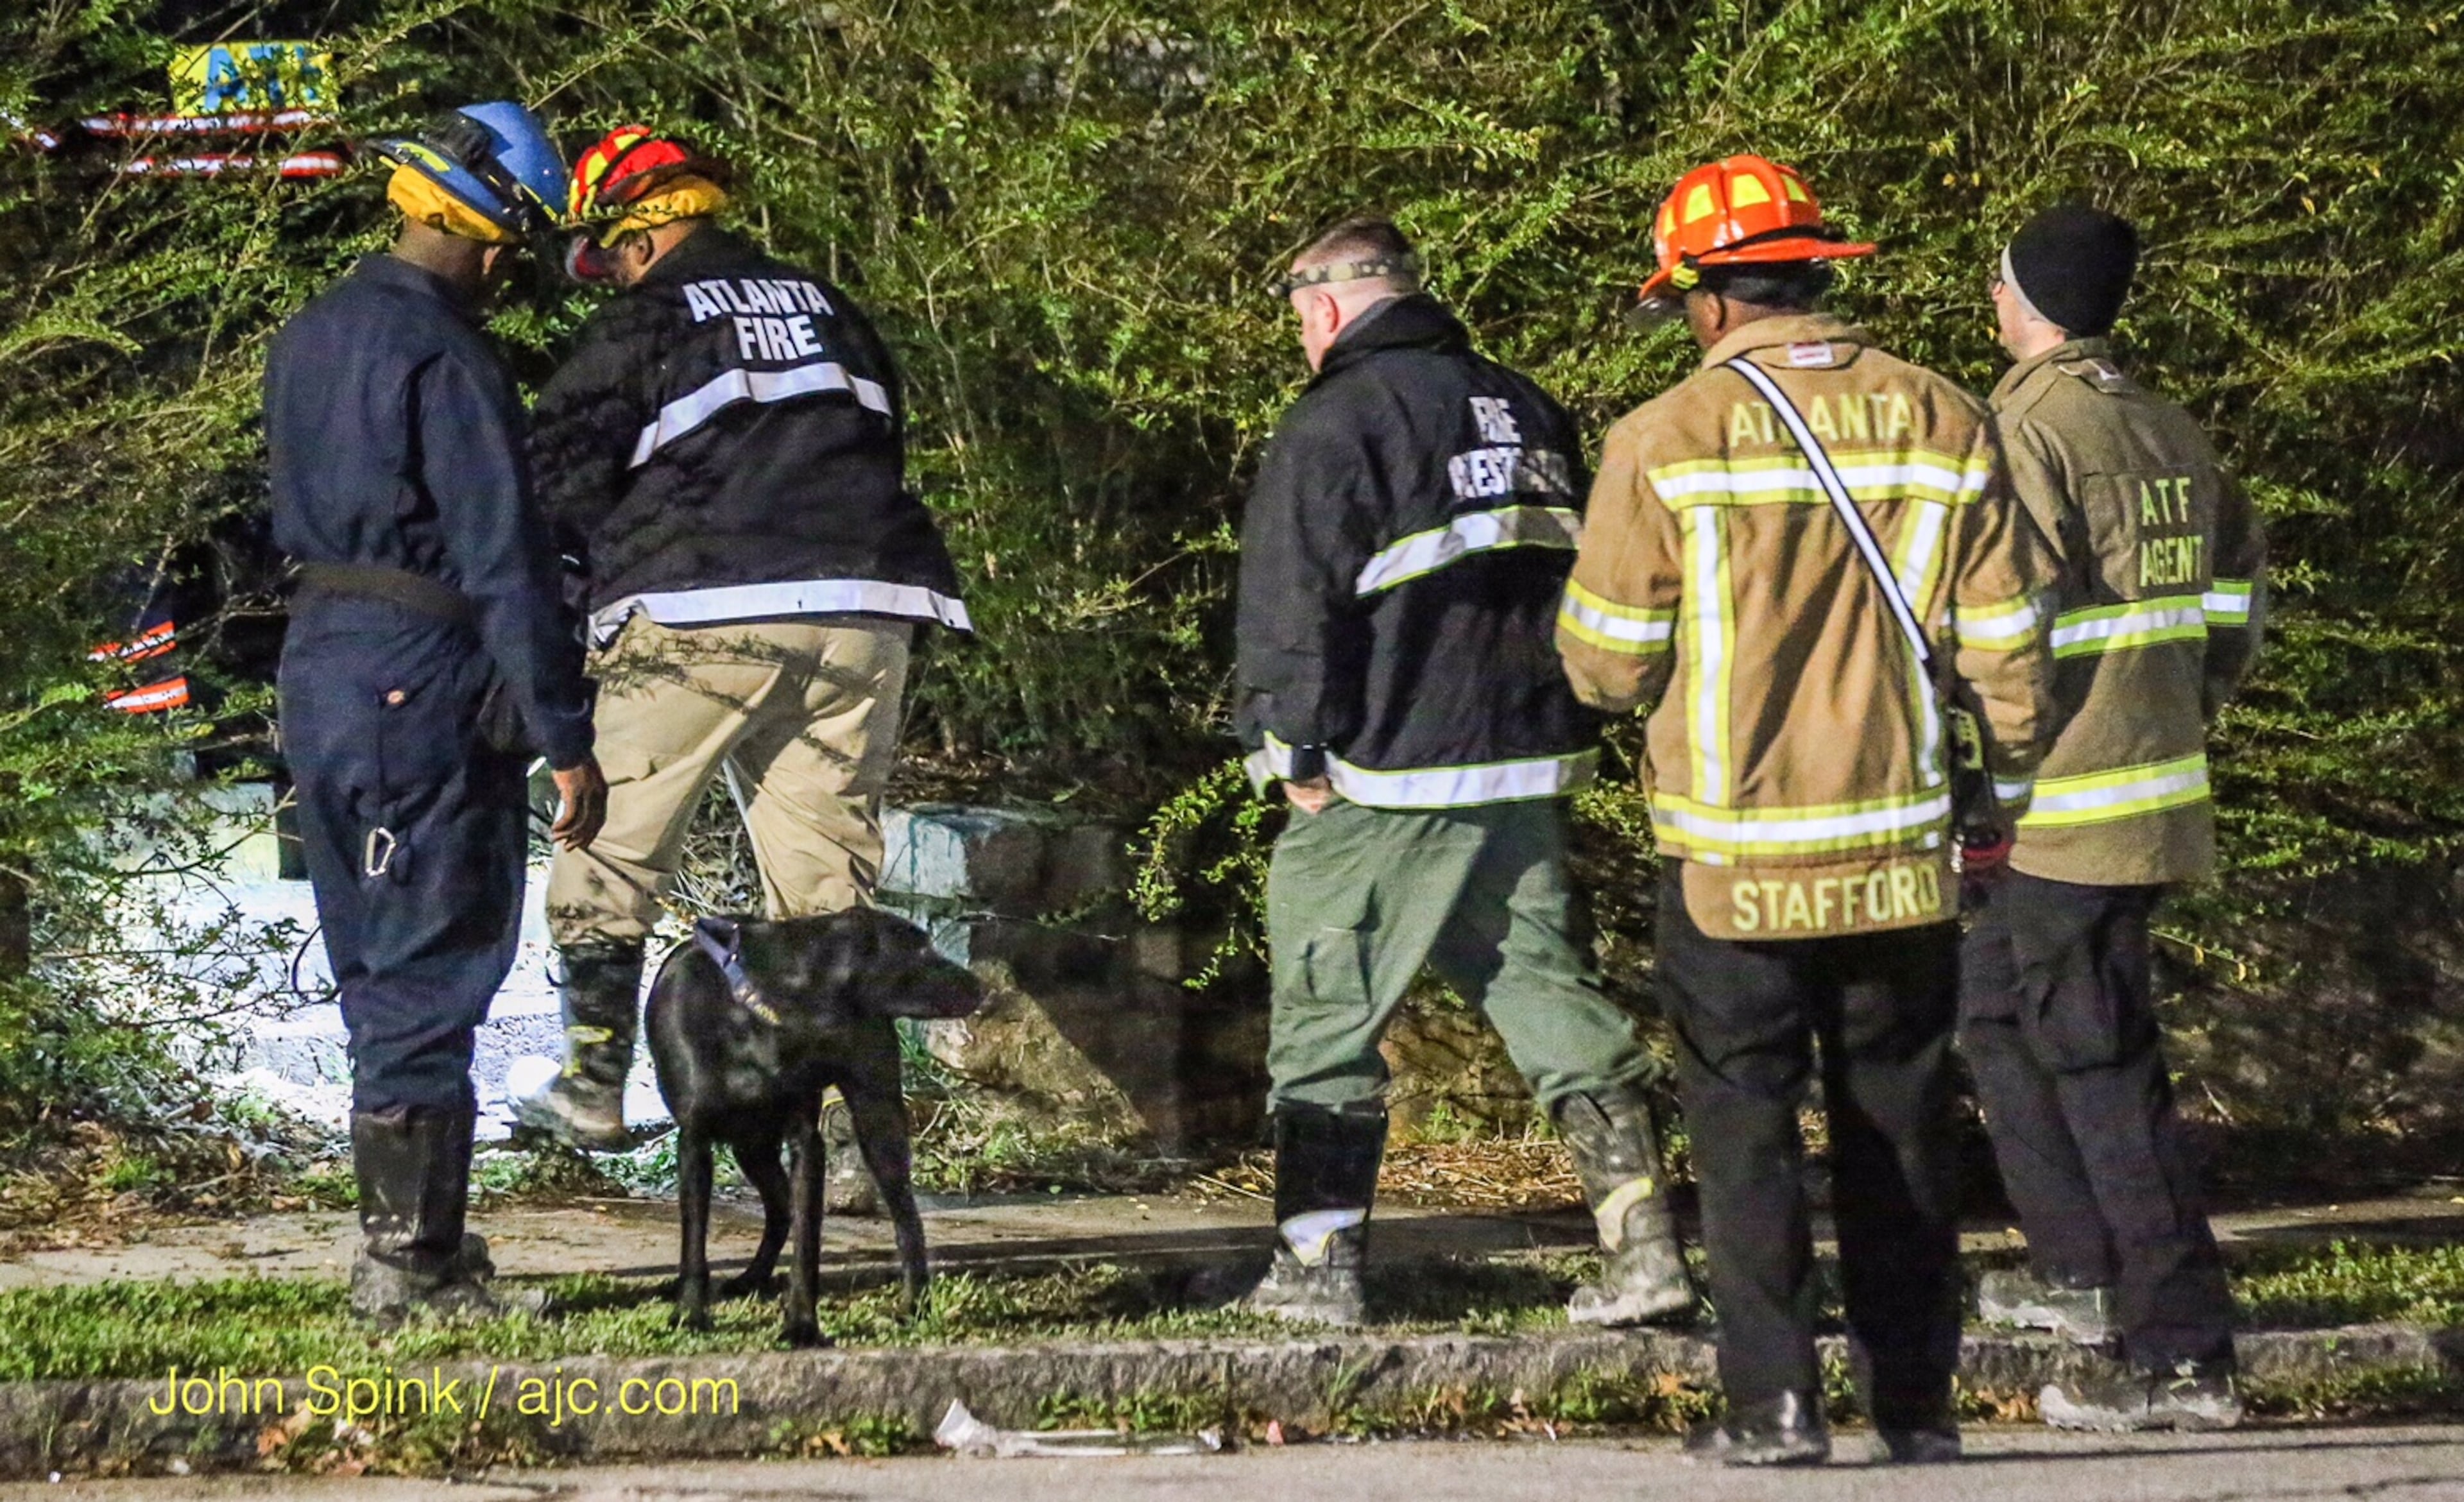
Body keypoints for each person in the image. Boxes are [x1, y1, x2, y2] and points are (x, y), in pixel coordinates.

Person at [1557, 155, 2057, 1465]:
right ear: (1824, 269)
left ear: (1707, 302)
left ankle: (1772, 1405)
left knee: (1745, 1130)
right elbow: (2009, 643)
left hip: (1731, 863)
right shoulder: (1946, 417)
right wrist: (1999, 789)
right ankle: (1918, 1405)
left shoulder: (1663, 437)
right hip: (1899, 854)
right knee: (1900, 1123)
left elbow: (1605, 664)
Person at [1233, 217, 1690, 1333]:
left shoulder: (1339, 418)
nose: (1301, 333)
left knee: (1324, 987)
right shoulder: (1522, 403)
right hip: (1529, 753)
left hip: (1393, 767)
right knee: (1541, 985)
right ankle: (1646, 1251)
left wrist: (1291, 745)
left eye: (1300, 313)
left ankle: (1315, 1266)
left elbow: (1294, 598)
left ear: (1328, 305)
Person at [514, 127, 970, 1168]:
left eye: (611, 248)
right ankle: (859, 1143)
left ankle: (589, 1083)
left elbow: (561, 481)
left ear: (636, 233)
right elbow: (882, 448)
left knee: (610, 839)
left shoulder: (645, 320)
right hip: (867, 609)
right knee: (824, 886)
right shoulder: (835, 313)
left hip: (698, 610)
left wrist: (568, 598)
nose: (614, 267)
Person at [264, 101, 606, 1322]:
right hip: (424, 672)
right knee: (432, 952)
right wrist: (565, 736)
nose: (507, 263)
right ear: (473, 227)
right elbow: (506, 558)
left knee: (373, 950)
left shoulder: (308, 334)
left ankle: (420, 1252)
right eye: (507, 238)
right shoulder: (452, 359)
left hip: (323, 665)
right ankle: (410, 1269)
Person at [1962, 202, 2266, 1431]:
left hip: (2060, 807)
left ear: (2030, 294)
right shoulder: (2166, 424)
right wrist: (2184, 706)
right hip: (2148, 790)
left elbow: (2004, 627)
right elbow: (2238, 596)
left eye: (1997, 282)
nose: (1991, 301)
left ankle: (2183, 1354)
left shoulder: (2028, 426)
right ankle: (2077, 1272)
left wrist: (1984, 778)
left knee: (2101, 1065)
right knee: (1993, 1012)